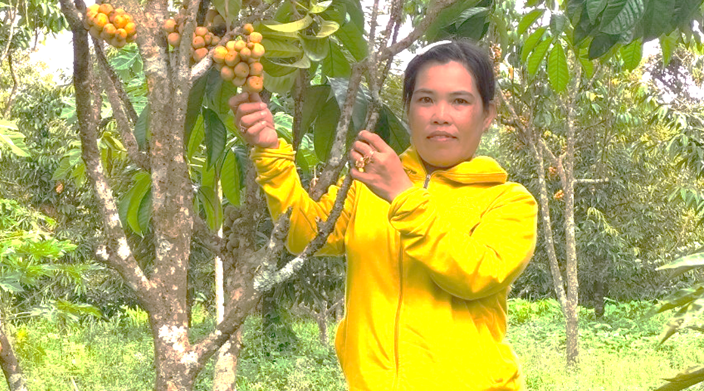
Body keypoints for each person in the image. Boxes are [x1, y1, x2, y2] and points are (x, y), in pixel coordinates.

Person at [228, 39, 538, 391]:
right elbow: (304, 234)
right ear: (408, 109)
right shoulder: (366, 185)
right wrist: (270, 151)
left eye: (460, 101)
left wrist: (402, 195)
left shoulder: (509, 201)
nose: (440, 115)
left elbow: (475, 274)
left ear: (487, 115)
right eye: (425, 99)